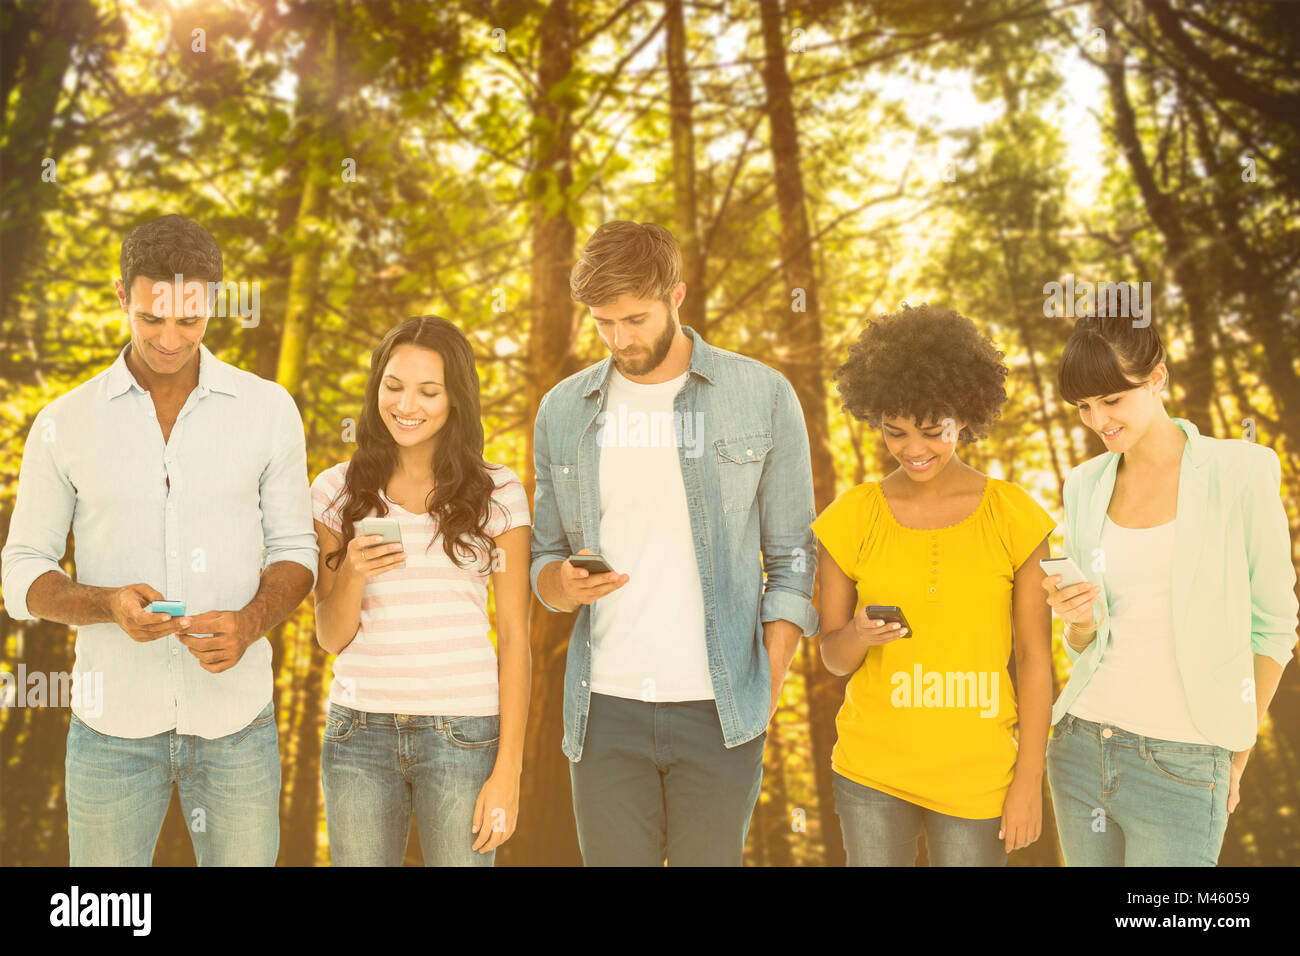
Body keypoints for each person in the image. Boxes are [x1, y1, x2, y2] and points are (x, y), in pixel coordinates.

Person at [0, 214, 317, 865]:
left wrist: (253, 620)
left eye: (190, 319)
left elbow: (296, 549)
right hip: (110, 733)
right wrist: (108, 604)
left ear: (213, 303)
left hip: (238, 727)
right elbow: (22, 571)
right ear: (122, 297)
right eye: (150, 318)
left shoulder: (268, 410)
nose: (170, 339)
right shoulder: (64, 423)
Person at [529, 221, 818, 866]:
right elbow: (543, 559)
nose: (620, 339)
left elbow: (794, 559)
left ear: (677, 295)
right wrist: (560, 583)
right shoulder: (563, 410)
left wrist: (765, 685)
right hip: (604, 711)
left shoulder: (763, 395)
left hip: (720, 709)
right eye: (604, 323)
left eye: (635, 318)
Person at [1043, 315, 1297, 866]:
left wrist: (1235, 750)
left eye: (1111, 399)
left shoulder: (1241, 471)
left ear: (1157, 378)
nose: (1098, 421)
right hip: (1082, 748)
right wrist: (1078, 620)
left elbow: (1274, 626)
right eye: (1083, 407)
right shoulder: (1085, 484)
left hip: (1185, 761)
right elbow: (1086, 642)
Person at [812, 304, 1055, 866]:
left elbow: (1035, 658)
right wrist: (858, 634)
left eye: (932, 431)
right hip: (872, 770)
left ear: (966, 415)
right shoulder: (851, 517)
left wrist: (1028, 781)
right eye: (894, 432)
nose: (913, 450)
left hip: (979, 776)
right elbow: (832, 657)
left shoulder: (1013, 515)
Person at [311, 315, 531, 866]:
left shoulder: (498, 491)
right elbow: (330, 636)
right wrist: (354, 571)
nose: (407, 405)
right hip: (358, 733)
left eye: (428, 392)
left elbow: (514, 636)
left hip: (465, 735)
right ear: (375, 388)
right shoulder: (335, 490)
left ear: (455, 398)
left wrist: (508, 772)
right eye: (394, 386)